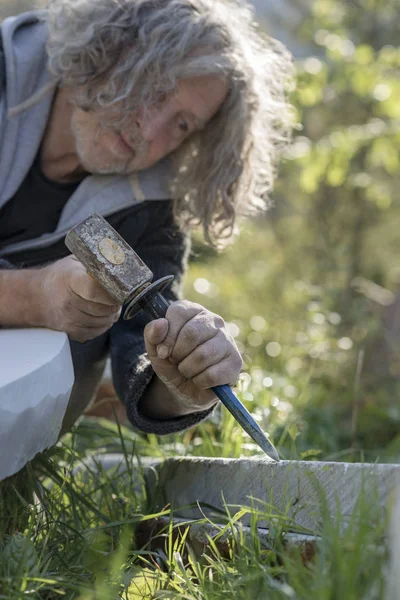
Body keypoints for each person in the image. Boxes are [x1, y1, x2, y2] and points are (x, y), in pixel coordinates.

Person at [0, 0, 294, 436]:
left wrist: (187, 382)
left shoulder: (151, 207)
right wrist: (35, 297)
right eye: (153, 85)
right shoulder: (9, 73)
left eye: (181, 124)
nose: (150, 130)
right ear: (104, 47)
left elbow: (141, 348)